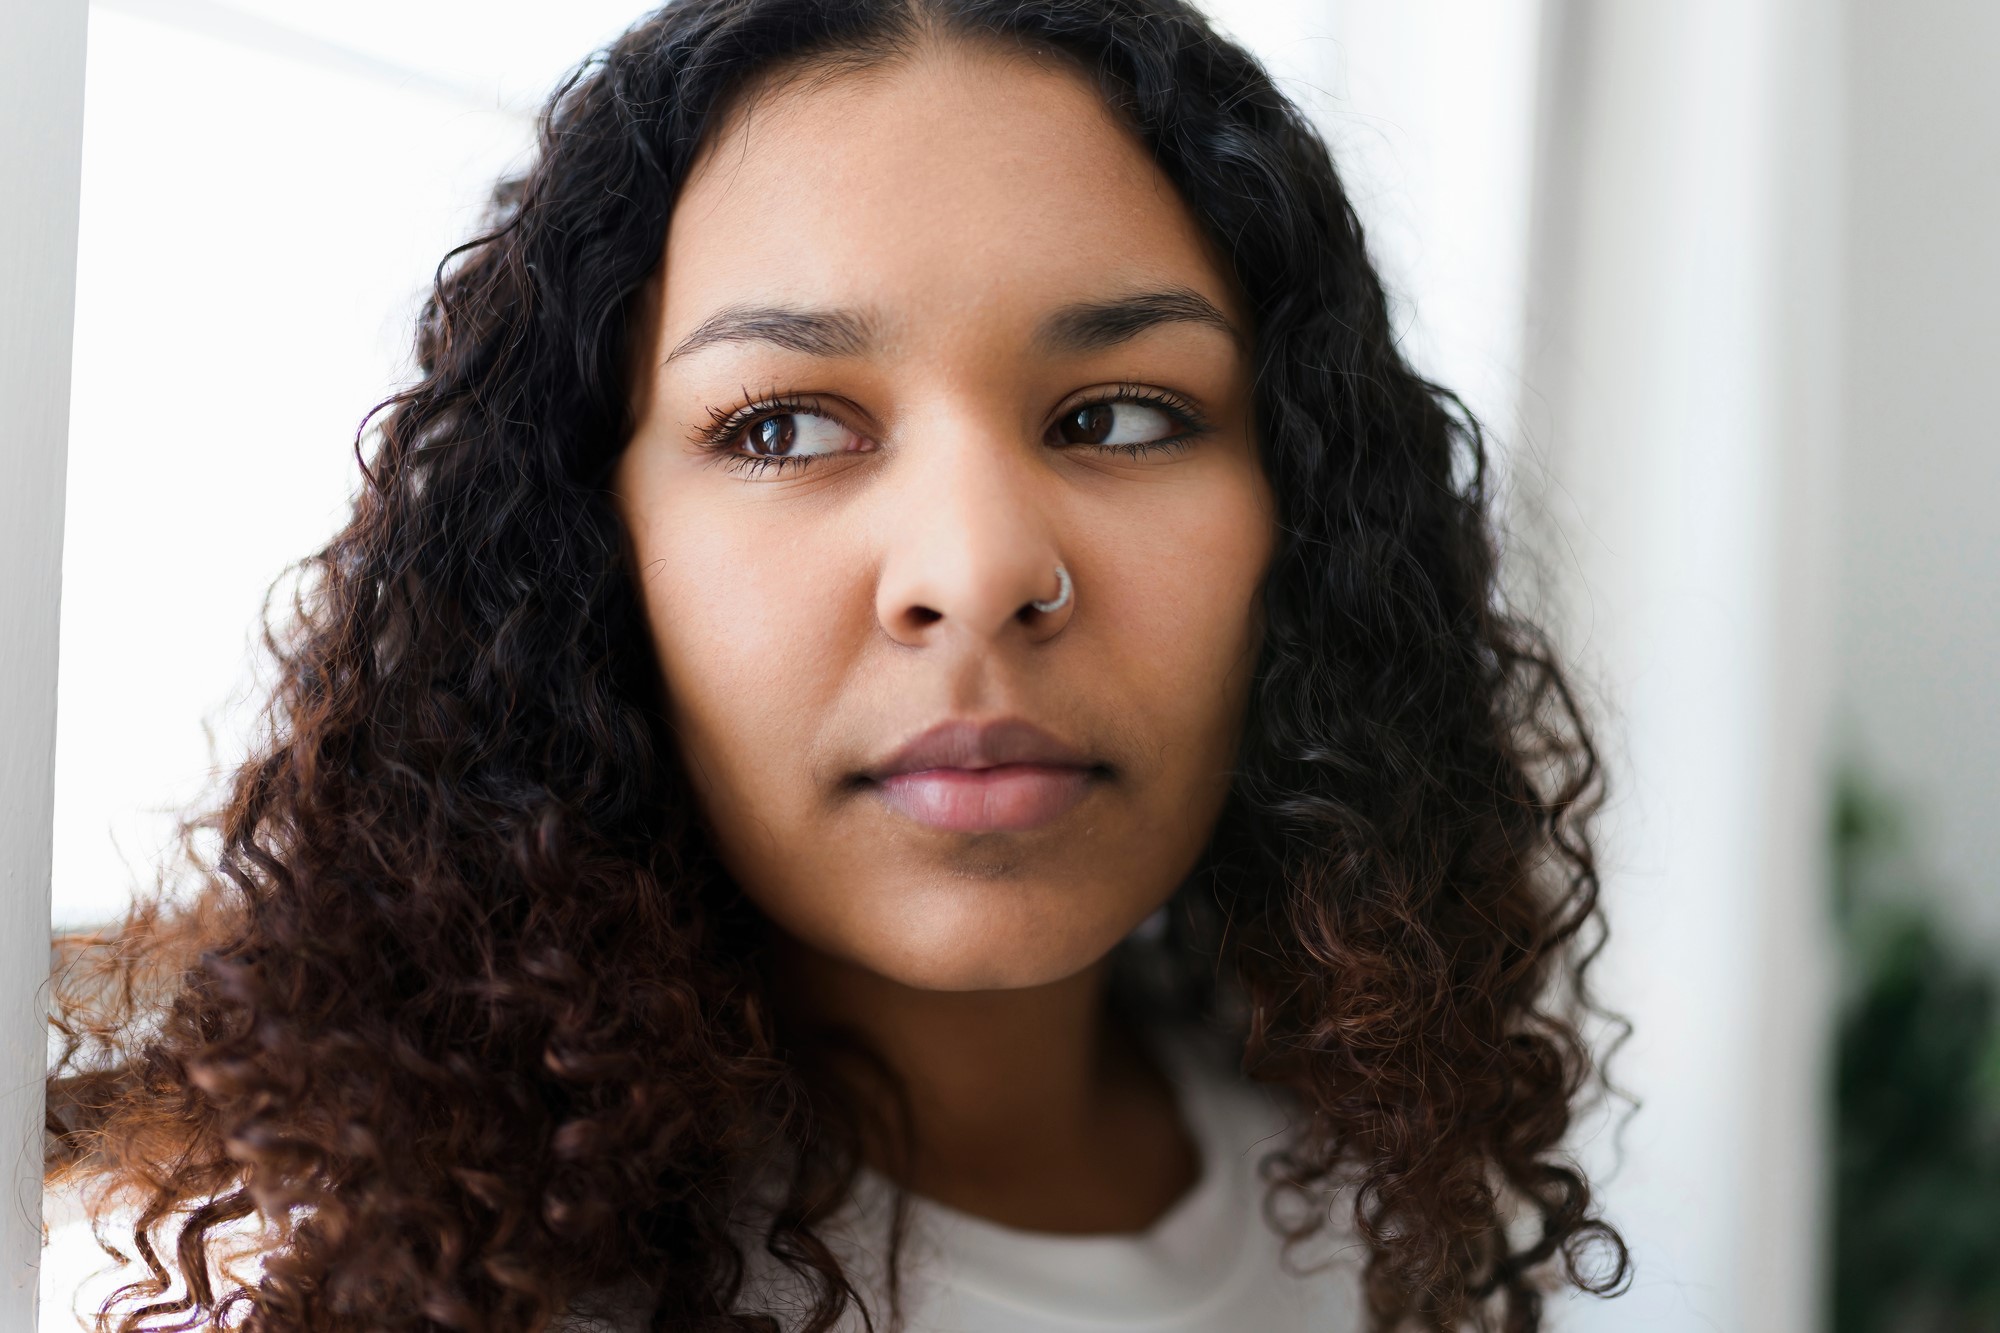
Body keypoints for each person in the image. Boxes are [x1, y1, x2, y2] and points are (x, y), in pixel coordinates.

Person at [44, 1, 1630, 1329]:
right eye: (782, 426)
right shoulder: (411, 1273)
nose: (975, 570)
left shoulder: (1373, 1173)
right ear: (592, 551)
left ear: (1303, 519)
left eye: (1123, 415)